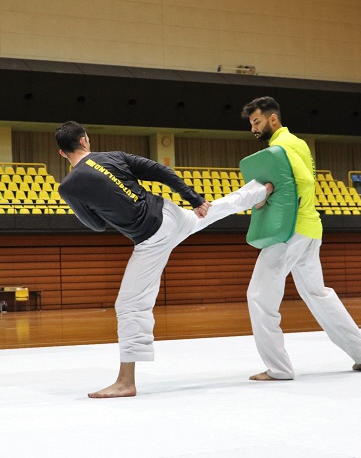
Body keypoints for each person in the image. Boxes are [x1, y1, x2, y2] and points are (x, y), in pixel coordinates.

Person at [55, 121, 272, 398]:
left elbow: (96, 225)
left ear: (63, 154)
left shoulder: (69, 187)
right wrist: (193, 198)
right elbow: (161, 171)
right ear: (85, 140)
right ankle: (260, 191)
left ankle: (125, 382)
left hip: (151, 237)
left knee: (130, 305)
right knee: (212, 210)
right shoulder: (114, 157)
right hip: (170, 214)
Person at [241, 96, 361, 381]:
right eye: (252, 123)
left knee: (259, 295)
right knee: (317, 293)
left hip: (291, 230)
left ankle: (278, 368)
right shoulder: (298, 143)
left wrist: (266, 196)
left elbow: (303, 181)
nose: (253, 128)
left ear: (272, 119)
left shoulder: (280, 147)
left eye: (257, 121)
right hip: (311, 229)